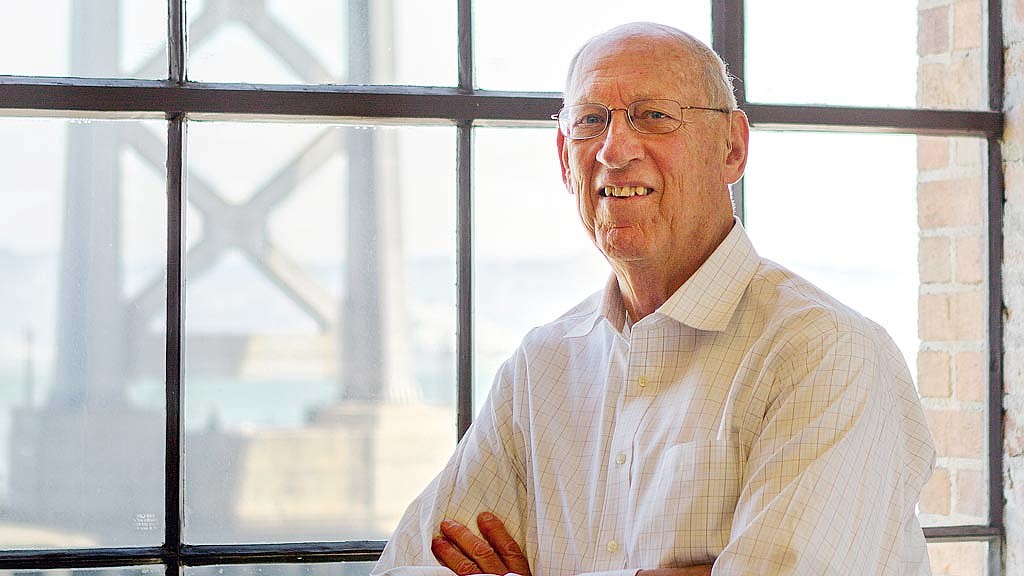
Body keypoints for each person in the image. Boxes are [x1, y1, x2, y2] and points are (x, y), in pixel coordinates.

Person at [373, 22, 935, 576]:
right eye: (591, 121)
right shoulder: (539, 369)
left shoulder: (828, 355)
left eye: (655, 116)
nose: (614, 151)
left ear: (732, 148)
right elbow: (405, 568)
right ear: (564, 157)